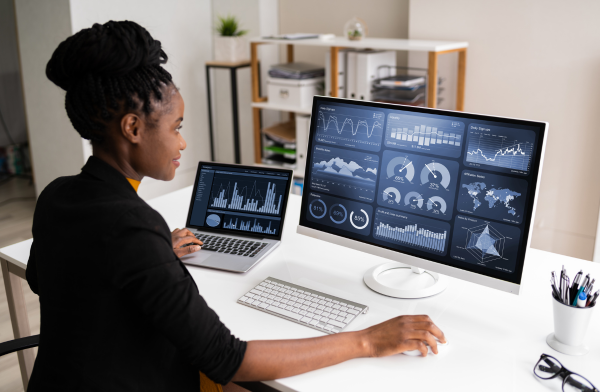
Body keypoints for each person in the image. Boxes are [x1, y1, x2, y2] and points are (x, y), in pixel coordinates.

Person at [26, 20, 446, 392]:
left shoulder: (59, 195)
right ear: (133, 127)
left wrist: (152, 258)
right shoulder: (133, 226)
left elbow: (44, 278)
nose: (182, 142)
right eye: (177, 128)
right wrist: (367, 341)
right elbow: (228, 360)